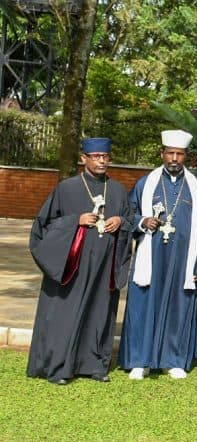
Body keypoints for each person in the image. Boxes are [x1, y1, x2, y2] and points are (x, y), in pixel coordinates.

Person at [26, 138, 131, 385]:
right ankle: (59, 367)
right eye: (95, 156)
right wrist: (76, 220)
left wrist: (121, 222)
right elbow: (43, 226)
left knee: (99, 313)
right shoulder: (67, 188)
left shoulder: (117, 190)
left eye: (105, 156)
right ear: (83, 159)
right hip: (73, 265)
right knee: (66, 314)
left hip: (104, 266)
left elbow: (129, 218)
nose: (101, 161)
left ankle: (94, 365)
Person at [119, 130, 197, 380]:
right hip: (152, 255)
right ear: (162, 154)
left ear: (186, 157)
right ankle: (140, 360)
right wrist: (142, 222)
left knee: (178, 307)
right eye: (169, 153)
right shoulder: (145, 183)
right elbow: (130, 215)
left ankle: (174, 360)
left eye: (179, 154)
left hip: (184, 259)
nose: (174, 158)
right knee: (144, 305)